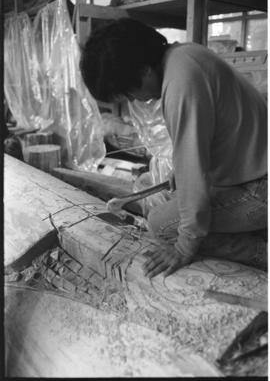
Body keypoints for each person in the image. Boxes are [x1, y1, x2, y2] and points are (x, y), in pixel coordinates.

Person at [80, 18, 267, 277]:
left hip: (260, 188)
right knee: (165, 194)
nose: (138, 100)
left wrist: (183, 247)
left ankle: (261, 252)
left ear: (144, 71)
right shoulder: (184, 56)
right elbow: (203, 147)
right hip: (250, 174)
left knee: (162, 225)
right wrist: (181, 172)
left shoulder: (181, 83)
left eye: (131, 94)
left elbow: (193, 176)